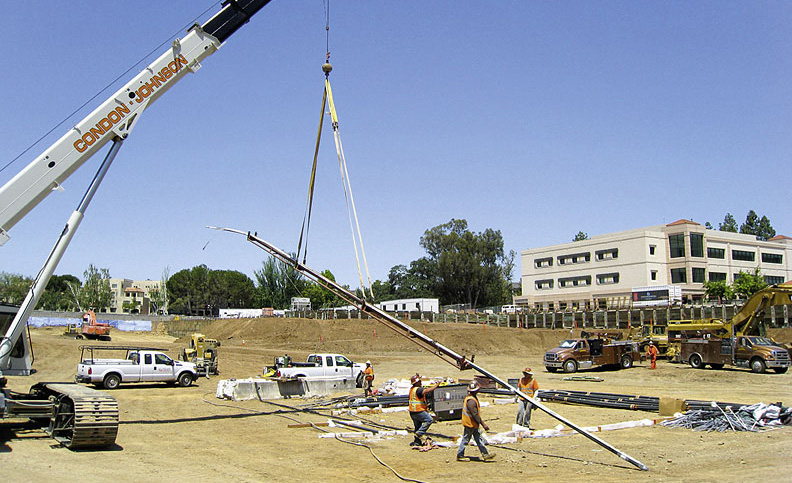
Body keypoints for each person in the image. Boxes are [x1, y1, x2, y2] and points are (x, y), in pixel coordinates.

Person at [457, 382, 495, 461]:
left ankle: (485, 454)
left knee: (478, 439)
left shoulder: (471, 397)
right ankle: (460, 455)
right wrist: (483, 424)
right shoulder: (471, 401)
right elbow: (475, 415)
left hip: (473, 423)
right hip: (470, 423)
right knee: (466, 439)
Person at [408, 374, 438, 446]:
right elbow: (426, 391)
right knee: (429, 420)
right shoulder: (419, 389)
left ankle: (417, 442)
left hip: (412, 412)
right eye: (420, 381)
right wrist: (436, 386)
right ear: (417, 382)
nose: (421, 382)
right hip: (419, 411)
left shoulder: (412, 389)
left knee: (417, 426)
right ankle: (420, 433)